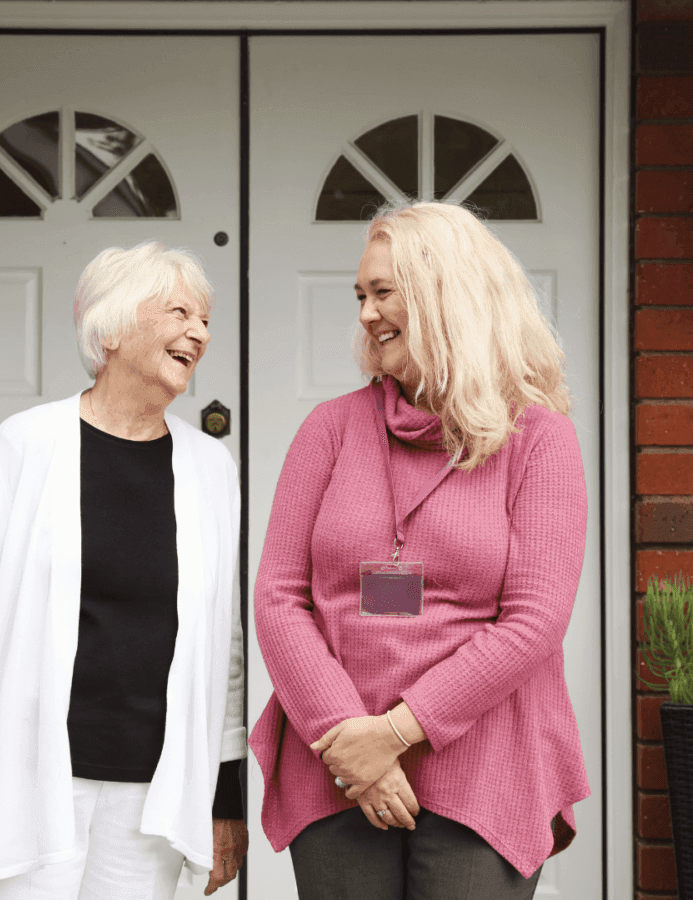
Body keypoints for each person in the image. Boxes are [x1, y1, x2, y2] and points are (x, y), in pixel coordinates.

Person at [249, 201, 590, 900]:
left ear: (447, 294)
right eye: (361, 297)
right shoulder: (330, 428)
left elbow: (535, 620)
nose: (368, 314)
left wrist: (396, 733)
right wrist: (353, 742)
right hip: (334, 755)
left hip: (484, 760)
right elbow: (279, 596)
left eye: (383, 292)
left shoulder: (540, 440)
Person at [0, 241, 248, 899]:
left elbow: (221, 651)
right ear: (111, 328)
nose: (199, 332)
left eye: (205, 319)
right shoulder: (24, 445)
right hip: (29, 784)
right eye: (179, 312)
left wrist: (222, 795)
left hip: (155, 799)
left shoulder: (210, 468)